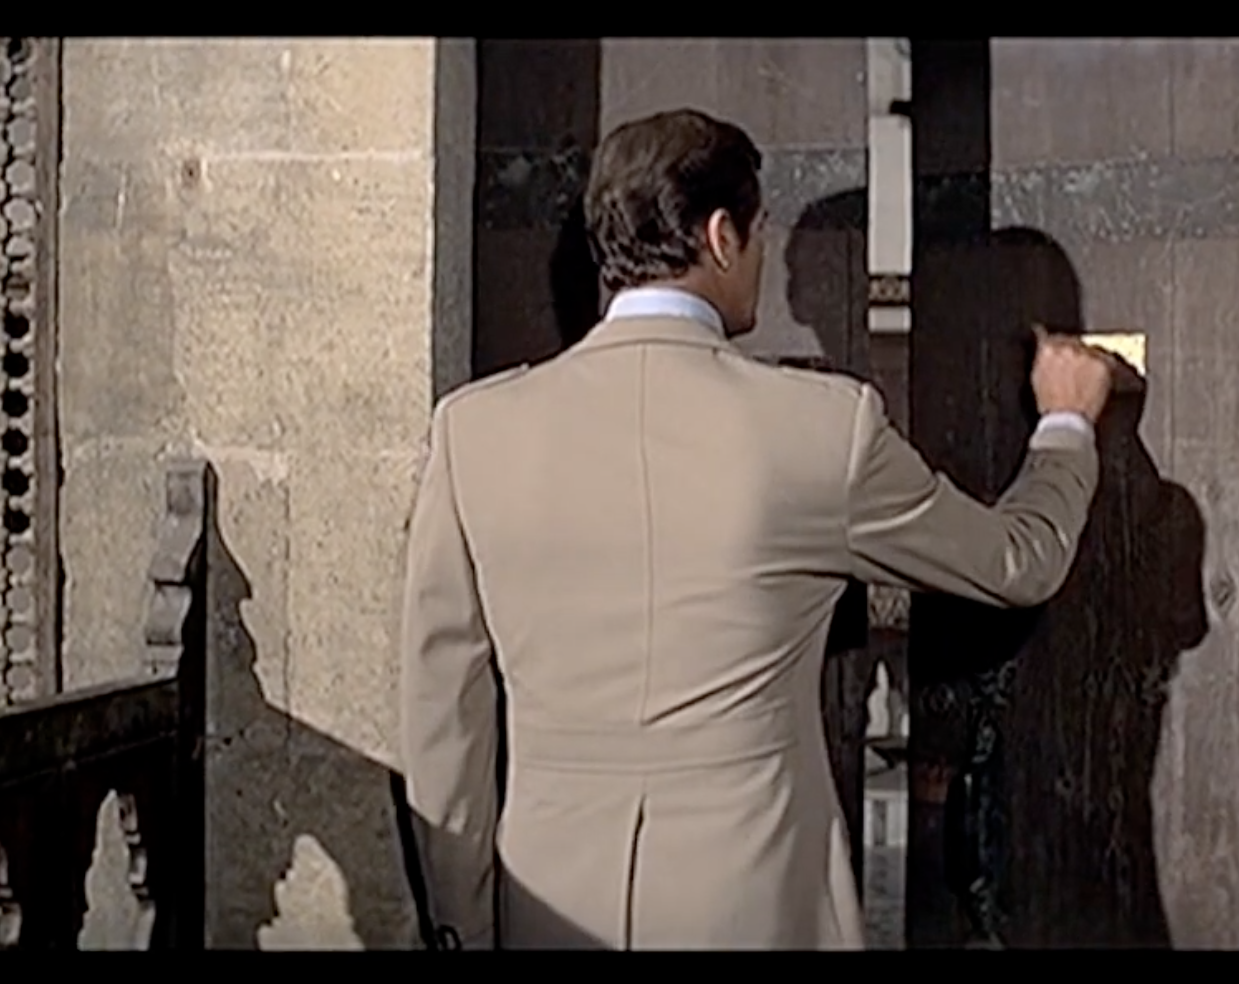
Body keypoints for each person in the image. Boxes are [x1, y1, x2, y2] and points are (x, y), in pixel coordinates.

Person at [398, 108, 1114, 950]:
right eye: (761, 232)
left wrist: (460, 922)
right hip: (758, 902)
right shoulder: (823, 430)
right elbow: (1018, 562)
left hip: (550, 905)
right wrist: (1066, 426)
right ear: (721, 235)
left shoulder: (474, 432)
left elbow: (442, 718)